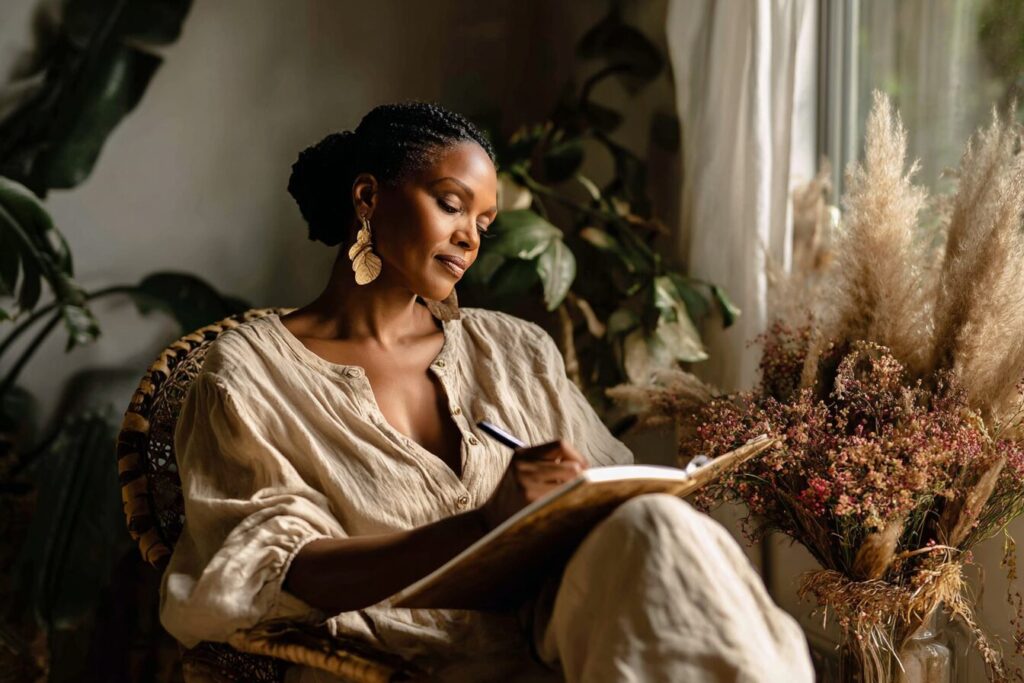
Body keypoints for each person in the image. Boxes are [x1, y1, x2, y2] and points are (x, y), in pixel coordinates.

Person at [159, 101, 814, 682]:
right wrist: (484, 521)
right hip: (390, 661)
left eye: (485, 221)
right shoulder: (247, 373)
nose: (471, 237)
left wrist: (580, 496)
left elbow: (611, 507)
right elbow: (281, 569)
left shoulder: (515, 351)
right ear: (368, 197)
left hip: (566, 643)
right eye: (450, 203)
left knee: (657, 523)